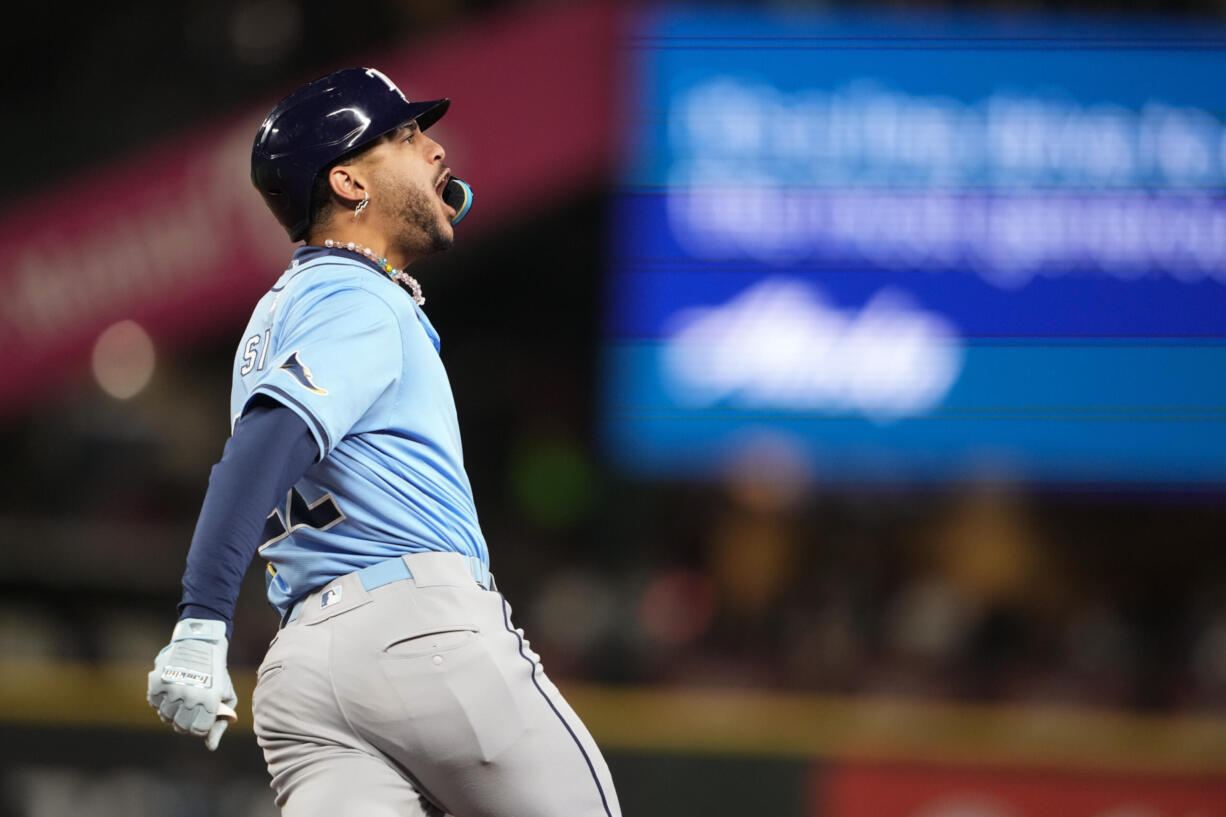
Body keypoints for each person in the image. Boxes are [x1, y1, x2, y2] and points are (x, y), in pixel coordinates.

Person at [145, 67, 621, 817]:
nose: (433, 150)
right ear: (348, 183)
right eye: (403, 136)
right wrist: (203, 616)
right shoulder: (354, 294)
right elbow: (266, 448)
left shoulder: (283, 310)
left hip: (304, 677)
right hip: (418, 635)